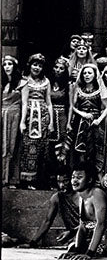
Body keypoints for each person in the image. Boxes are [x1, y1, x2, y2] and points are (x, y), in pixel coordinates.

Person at [59, 162, 107, 260]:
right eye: (73, 177)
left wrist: (89, 253)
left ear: (89, 180)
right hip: (99, 239)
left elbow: (101, 224)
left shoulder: (97, 193)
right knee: (71, 247)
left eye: (79, 177)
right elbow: (82, 226)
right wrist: (76, 250)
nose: (74, 180)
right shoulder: (81, 195)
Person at [18, 167, 79, 248]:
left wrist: (72, 232)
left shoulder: (81, 196)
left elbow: (90, 223)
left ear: (72, 180)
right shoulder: (57, 197)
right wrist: (33, 243)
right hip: (73, 237)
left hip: (85, 233)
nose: (61, 185)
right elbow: (47, 221)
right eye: (59, 181)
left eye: (65, 181)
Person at [68, 64, 107, 174]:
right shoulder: (78, 89)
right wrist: (82, 113)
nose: (87, 75)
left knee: (94, 150)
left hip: (95, 123)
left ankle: (93, 175)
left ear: (95, 75)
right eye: (84, 73)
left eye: (89, 73)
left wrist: (99, 120)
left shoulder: (100, 89)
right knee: (79, 150)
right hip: (80, 122)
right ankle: (80, 174)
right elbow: (72, 106)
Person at [20, 54, 54, 189]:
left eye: (40, 66)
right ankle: (28, 180)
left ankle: (41, 180)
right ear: (30, 65)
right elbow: (24, 102)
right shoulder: (24, 80)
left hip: (43, 117)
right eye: (35, 65)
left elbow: (49, 102)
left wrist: (51, 122)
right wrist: (22, 122)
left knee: (43, 149)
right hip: (30, 118)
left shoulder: (46, 81)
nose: (37, 68)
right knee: (29, 148)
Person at [2, 55, 26, 187]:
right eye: (5, 64)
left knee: (12, 146)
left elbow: (25, 103)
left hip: (14, 115)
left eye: (10, 64)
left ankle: (10, 178)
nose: (7, 67)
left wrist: (22, 122)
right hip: (2, 115)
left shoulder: (22, 83)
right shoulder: (2, 82)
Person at [47, 57, 71, 181]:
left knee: (61, 146)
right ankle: (49, 176)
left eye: (61, 68)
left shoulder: (68, 85)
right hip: (48, 115)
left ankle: (61, 177)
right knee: (49, 146)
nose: (58, 70)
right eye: (56, 67)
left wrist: (69, 122)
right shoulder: (47, 82)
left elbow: (70, 105)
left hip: (62, 115)